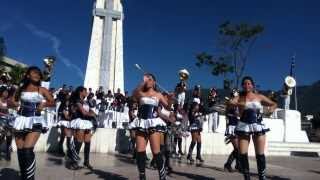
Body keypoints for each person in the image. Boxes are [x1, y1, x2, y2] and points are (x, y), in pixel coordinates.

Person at [11, 66, 55, 180]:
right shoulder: (20, 89)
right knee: (20, 152)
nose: (37, 75)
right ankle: (24, 176)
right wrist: (14, 104)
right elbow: (12, 102)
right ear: (28, 75)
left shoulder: (42, 89)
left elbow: (52, 102)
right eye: (34, 73)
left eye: (38, 74)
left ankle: (30, 178)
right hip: (20, 120)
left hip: (35, 120)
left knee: (27, 150)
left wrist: (44, 104)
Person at [230, 76, 277, 180]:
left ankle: (262, 177)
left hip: (257, 126)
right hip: (243, 126)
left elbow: (273, 104)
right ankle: (247, 178)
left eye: (249, 83)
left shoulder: (259, 96)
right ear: (242, 86)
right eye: (244, 84)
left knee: (260, 154)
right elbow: (231, 102)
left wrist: (270, 111)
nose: (247, 85)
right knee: (242, 153)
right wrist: (238, 103)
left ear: (252, 85)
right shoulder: (240, 97)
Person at [129, 73, 173, 180]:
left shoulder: (158, 95)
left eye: (150, 79)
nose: (147, 80)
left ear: (154, 82)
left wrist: (170, 99)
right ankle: (142, 176)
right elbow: (134, 94)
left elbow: (168, 107)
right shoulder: (141, 93)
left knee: (156, 152)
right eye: (146, 79)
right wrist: (143, 82)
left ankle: (162, 176)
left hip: (153, 123)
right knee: (140, 151)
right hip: (141, 123)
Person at [70, 86, 96, 170]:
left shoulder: (85, 102)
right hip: (80, 121)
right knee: (79, 142)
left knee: (88, 142)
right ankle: (73, 163)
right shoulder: (77, 101)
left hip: (86, 122)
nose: (87, 92)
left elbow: (90, 111)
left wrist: (92, 113)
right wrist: (92, 114)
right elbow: (84, 112)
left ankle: (86, 162)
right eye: (85, 90)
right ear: (81, 92)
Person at [224, 89, 240, 172]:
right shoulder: (230, 104)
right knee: (237, 148)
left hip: (236, 126)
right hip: (231, 127)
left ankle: (237, 165)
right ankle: (228, 164)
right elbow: (228, 114)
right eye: (236, 96)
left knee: (238, 148)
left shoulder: (236, 104)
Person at [0, 86, 13, 161]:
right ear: (1, 93)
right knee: (1, 137)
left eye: (7, 92)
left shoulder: (8, 101)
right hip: (0, 121)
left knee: (9, 136)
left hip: (7, 121)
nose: (6, 93)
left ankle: (8, 152)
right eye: (5, 92)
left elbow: (13, 107)